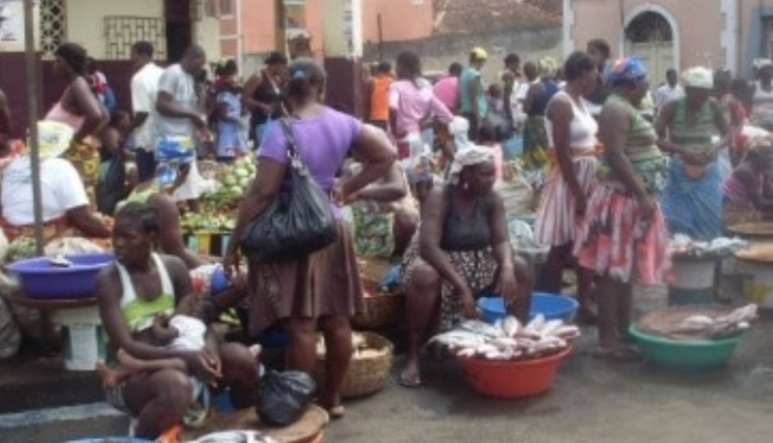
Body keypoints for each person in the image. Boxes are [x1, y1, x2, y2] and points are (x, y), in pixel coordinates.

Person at [223, 58, 396, 418]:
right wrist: (345, 189)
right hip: (330, 227)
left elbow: (262, 193)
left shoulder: (280, 131)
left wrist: (235, 240)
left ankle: (299, 408)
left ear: (287, 88)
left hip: (295, 235)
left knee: (302, 324)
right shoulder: (344, 123)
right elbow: (386, 154)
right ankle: (332, 399)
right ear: (323, 87)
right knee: (336, 319)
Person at [96, 202, 259, 439]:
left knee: (243, 360)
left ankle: (238, 428)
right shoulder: (109, 280)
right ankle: (144, 437)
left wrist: (209, 353)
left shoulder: (174, 268)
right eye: (115, 236)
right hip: (131, 371)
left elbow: (198, 322)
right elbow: (128, 346)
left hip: (182, 353)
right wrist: (186, 357)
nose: (118, 244)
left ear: (152, 236)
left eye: (128, 237)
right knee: (175, 387)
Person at [398, 146, 533, 387]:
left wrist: (507, 267)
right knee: (425, 275)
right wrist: (462, 288)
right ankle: (412, 356)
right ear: (466, 174)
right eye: (484, 174)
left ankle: (516, 341)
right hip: (438, 261)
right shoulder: (440, 195)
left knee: (521, 267)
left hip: (477, 261)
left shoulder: (492, 198)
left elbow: (501, 240)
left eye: (493, 173)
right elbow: (429, 247)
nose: (491, 179)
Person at [574, 57, 669, 361]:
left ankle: (624, 330)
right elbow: (614, 154)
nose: (647, 87)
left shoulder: (624, 106)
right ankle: (606, 341)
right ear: (631, 82)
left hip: (630, 199)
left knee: (623, 270)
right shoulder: (616, 109)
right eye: (644, 82)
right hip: (620, 199)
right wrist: (641, 192)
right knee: (612, 273)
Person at [534, 51, 599, 321]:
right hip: (570, 181)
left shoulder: (580, 101)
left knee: (585, 242)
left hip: (587, 177)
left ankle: (582, 302)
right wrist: (578, 194)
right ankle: (549, 303)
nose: (597, 76)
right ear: (583, 72)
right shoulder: (561, 103)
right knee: (561, 247)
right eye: (594, 71)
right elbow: (562, 152)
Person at [0, 122, 111, 246]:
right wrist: (111, 235)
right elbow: (82, 220)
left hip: (10, 237)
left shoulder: (14, 165)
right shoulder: (60, 166)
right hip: (45, 240)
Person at [657, 66, 730, 241]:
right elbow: (657, 140)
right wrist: (681, 150)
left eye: (705, 94)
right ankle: (682, 259)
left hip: (708, 170)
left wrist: (715, 147)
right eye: (697, 94)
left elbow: (728, 134)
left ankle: (709, 260)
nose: (701, 99)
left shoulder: (712, 105)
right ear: (687, 90)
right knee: (677, 221)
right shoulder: (671, 107)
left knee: (709, 218)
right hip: (680, 170)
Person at [45, 42, 109, 206]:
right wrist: (88, 138)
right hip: (74, 156)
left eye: (58, 61)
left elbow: (96, 115)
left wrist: (75, 141)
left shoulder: (78, 84)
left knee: (79, 207)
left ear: (67, 63)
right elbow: (105, 116)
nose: (55, 65)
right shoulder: (79, 84)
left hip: (75, 158)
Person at [154, 45, 211, 210]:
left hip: (184, 138)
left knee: (189, 179)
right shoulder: (173, 73)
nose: (200, 68)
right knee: (168, 181)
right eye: (199, 64)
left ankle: (191, 214)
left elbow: (193, 109)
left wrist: (201, 94)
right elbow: (162, 104)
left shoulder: (188, 77)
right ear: (191, 57)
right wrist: (192, 116)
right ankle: (163, 215)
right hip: (170, 137)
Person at [388, 51, 455, 163]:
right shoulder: (425, 90)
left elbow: (392, 108)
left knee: (401, 175)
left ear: (400, 67)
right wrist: (426, 124)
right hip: (417, 138)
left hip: (400, 141)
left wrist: (395, 132)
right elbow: (447, 116)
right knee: (417, 175)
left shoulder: (396, 87)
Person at [722, 135, 773, 226]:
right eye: (767, 154)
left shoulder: (762, 171)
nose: (771, 158)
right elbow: (759, 204)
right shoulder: (745, 172)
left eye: (771, 153)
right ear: (755, 156)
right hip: (736, 214)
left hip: (749, 208)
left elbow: (772, 193)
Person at [130, 41, 165, 183]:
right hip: (168, 137)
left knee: (148, 183)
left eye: (133, 55)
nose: (131, 59)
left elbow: (142, 113)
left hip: (147, 141)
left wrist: (127, 129)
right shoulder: (164, 73)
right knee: (167, 182)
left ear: (143, 54)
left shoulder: (139, 78)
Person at [243, 52, 288, 145]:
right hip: (263, 121)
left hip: (278, 121)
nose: (283, 70)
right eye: (282, 67)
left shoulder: (276, 79)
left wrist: (287, 116)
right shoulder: (258, 77)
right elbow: (244, 97)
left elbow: (278, 101)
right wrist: (261, 105)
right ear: (276, 65)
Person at [523, 59, 561, 169]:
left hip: (535, 123)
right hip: (552, 123)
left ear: (540, 70)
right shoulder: (557, 89)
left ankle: (534, 176)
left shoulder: (535, 88)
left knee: (534, 151)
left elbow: (525, 109)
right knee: (549, 149)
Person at [97, 110, 136, 215]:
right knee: (106, 191)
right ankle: (104, 212)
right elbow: (114, 150)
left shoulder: (119, 132)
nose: (129, 121)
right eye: (127, 118)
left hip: (114, 166)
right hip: (107, 167)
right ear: (120, 120)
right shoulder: (111, 131)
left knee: (115, 190)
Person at [213, 60, 248, 162]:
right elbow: (223, 115)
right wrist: (237, 119)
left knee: (236, 155)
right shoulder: (224, 96)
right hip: (226, 130)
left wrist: (242, 113)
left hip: (234, 129)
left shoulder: (236, 95)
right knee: (227, 154)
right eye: (233, 82)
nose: (236, 84)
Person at [460, 47, 489, 141]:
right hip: (475, 114)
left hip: (467, 112)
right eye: (483, 62)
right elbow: (474, 97)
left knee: (470, 141)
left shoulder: (464, 73)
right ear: (479, 61)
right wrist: (479, 119)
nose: (483, 65)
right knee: (475, 142)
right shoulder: (474, 75)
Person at [749, 59, 773, 133]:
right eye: (767, 69)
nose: (770, 72)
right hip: (757, 121)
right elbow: (748, 104)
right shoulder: (753, 85)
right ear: (760, 72)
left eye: (771, 69)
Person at [584, 38, 611, 118]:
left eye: (592, 53)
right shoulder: (585, 75)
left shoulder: (612, 75)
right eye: (587, 53)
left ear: (604, 55)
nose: (588, 56)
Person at [366, 61, 394, 131]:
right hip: (385, 117)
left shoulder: (371, 82)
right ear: (389, 71)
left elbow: (367, 99)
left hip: (373, 117)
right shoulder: (391, 82)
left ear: (378, 70)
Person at [501, 53, 522, 126]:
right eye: (517, 64)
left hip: (507, 107)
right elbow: (506, 96)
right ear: (512, 63)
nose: (518, 66)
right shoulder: (509, 75)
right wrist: (509, 115)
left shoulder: (503, 73)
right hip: (510, 108)